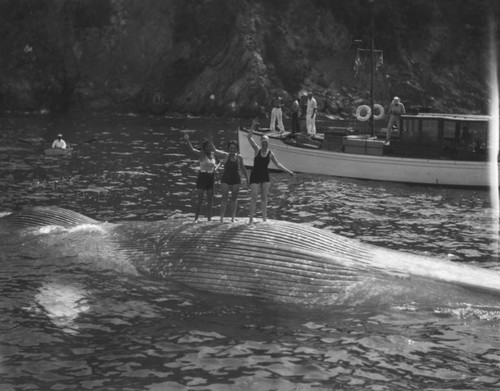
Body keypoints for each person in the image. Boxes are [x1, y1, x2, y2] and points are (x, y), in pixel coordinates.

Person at [246, 118, 294, 224]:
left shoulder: (270, 153)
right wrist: (253, 126)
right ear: (261, 142)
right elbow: (249, 137)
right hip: (254, 175)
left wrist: (289, 172)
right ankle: (250, 219)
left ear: (268, 143)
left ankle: (264, 218)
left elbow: (278, 164)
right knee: (254, 198)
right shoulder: (257, 149)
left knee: (264, 198)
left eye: (266, 142)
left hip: (264, 176)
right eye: (263, 142)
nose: (264, 144)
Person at [211, 140, 249, 222]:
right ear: (228, 149)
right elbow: (214, 150)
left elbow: (242, 168)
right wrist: (211, 140)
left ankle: (233, 218)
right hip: (226, 179)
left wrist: (247, 178)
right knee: (224, 199)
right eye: (231, 148)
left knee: (234, 199)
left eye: (234, 148)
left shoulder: (239, 157)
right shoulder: (225, 155)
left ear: (237, 149)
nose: (232, 150)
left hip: (236, 179)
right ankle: (221, 218)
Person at [184, 134, 217, 222]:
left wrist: (215, 168)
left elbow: (214, 165)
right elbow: (192, 150)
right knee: (200, 199)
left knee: (210, 200)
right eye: (207, 147)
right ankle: (196, 218)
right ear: (204, 148)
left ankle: (209, 219)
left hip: (211, 177)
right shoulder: (202, 154)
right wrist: (188, 141)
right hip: (202, 177)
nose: (208, 148)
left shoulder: (213, 155)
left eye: (210, 146)